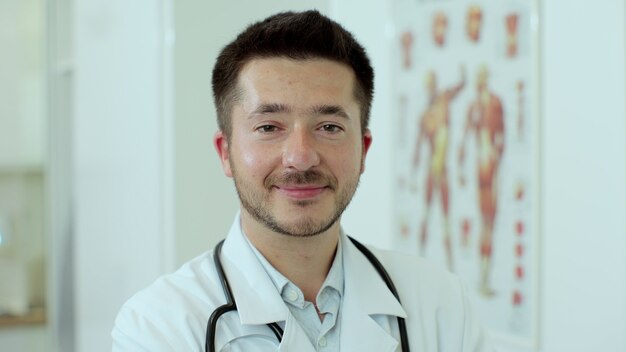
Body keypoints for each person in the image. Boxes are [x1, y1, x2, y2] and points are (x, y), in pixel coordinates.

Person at [112, 10, 493, 351]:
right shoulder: (158, 327)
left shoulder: (441, 305)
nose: (300, 157)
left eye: (329, 126)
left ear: (363, 148)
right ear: (224, 152)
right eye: (268, 127)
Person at [410, 68, 465, 271]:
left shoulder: (444, 100)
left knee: (446, 217)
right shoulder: (426, 116)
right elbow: (417, 146)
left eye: (432, 83)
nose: (430, 88)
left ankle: (451, 266)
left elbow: (459, 87)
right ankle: (419, 259)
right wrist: (413, 175)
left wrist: (464, 75)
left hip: (442, 172)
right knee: (426, 213)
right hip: (431, 171)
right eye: (428, 85)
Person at [458, 65, 505, 297]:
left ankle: (484, 277)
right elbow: (466, 138)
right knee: (487, 222)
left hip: (487, 165)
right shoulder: (479, 106)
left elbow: (499, 138)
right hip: (485, 167)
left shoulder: (491, 104)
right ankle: (482, 278)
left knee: (488, 222)